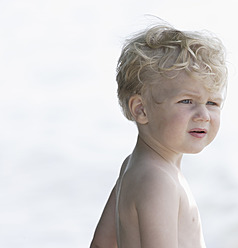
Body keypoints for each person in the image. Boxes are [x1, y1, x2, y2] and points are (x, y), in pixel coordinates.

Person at [90, 23, 228, 248]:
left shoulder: (136, 166)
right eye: (187, 101)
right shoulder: (159, 181)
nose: (203, 114)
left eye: (212, 103)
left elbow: (102, 244)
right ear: (141, 110)